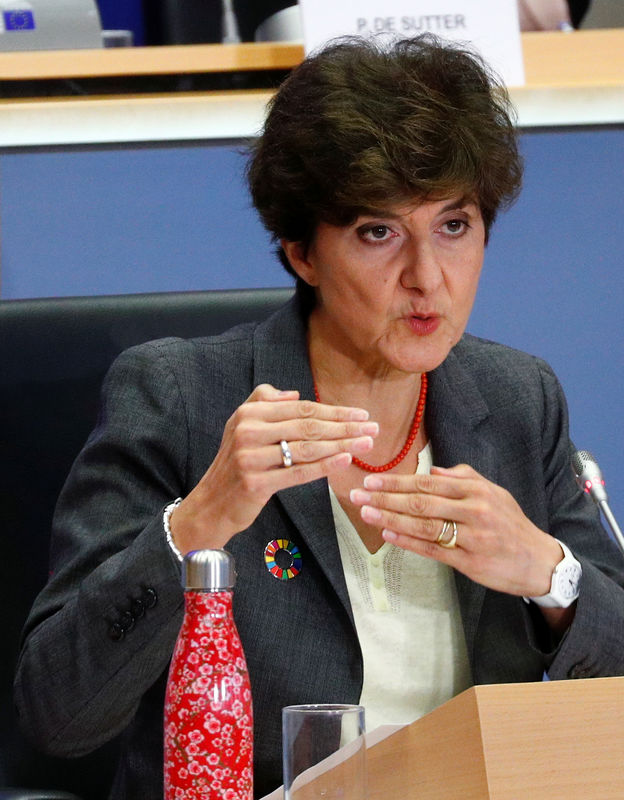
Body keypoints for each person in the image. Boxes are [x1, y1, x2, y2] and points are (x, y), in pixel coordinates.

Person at [14, 34, 624, 799]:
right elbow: (57, 714)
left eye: (454, 226)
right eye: (379, 233)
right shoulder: (183, 398)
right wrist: (199, 520)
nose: (426, 277)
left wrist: (548, 574)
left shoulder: (516, 400)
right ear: (301, 250)